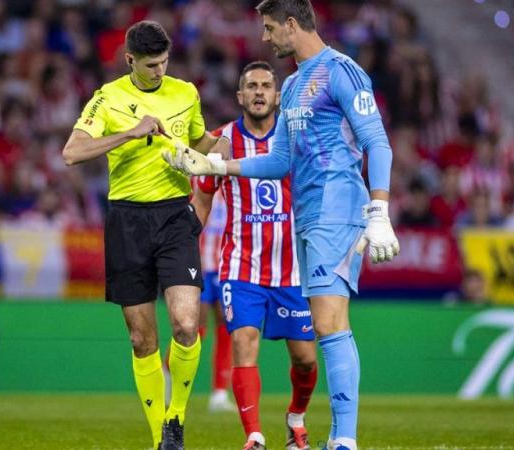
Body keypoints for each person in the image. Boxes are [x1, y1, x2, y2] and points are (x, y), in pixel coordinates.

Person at [163, 2, 400, 449]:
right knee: (326, 326)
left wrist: (379, 210)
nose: (267, 38)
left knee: (330, 324)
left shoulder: (341, 71)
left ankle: (344, 438)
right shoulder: (291, 87)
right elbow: (280, 161)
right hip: (306, 219)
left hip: (337, 209)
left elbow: (377, 142)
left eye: (271, 29)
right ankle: (335, 435)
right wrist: (219, 165)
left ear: (292, 25)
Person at [62, 20, 229, 450]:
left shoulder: (185, 93)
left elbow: (201, 145)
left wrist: (219, 148)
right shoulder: (109, 97)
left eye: (164, 62)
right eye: (151, 65)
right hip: (127, 221)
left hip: (175, 217)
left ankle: (175, 419)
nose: (159, 71)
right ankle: (162, 438)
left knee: (187, 326)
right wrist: (128, 135)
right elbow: (72, 152)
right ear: (129, 59)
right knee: (142, 339)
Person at [192, 61, 318, 450]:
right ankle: (255, 437)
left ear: (278, 96)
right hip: (240, 266)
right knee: (244, 342)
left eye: (267, 85)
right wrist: (181, 249)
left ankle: (295, 418)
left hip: (290, 271)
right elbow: (202, 199)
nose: (260, 92)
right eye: (252, 86)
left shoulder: (297, 139)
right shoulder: (222, 142)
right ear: (240, 97)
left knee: (306, 361)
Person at [195, 184, 235, 413]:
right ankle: (167, 373)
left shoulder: (234, 185)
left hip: (225, 266)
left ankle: (219, 392)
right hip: (199, 264)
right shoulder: (198, 181)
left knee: (225, 324)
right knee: (194, 328)